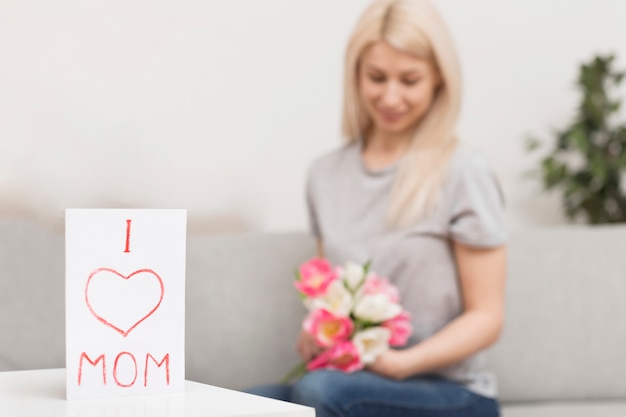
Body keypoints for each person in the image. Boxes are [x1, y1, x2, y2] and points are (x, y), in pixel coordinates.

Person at [248, 0, 506, 416]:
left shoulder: (463, 171)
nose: (390, 96)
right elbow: (325, 293)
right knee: (234, 404)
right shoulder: (325, 175)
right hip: (348, 382)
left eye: (409, 80)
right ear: (355, 75)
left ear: (439, 78)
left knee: (320, 393)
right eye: (376, 77)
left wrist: (403, 364)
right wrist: (315, 335)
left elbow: (487, 317)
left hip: (450, 392)